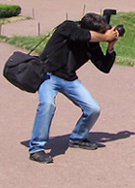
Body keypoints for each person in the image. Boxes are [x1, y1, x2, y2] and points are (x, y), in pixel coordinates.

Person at [28, 13, 120, 164]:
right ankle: (36, 149)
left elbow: (104, 67)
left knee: (93, 109)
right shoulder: (68, 27)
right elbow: (80, 36)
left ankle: (78, 138)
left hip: (69, 78)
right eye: (101, 32)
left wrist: (110, 46)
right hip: (48, 75)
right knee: (47, 105)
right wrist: (106, 37)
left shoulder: (93, 43)